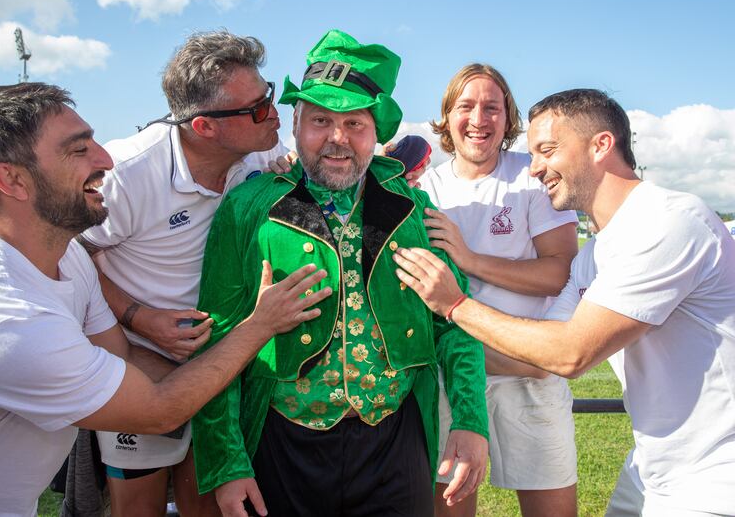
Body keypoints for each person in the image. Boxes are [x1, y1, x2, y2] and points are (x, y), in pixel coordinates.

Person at [0, 82, 330, 517]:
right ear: (12, 179)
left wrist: (231, 404)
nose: (105, 159)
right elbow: (157, 412)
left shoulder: (65, 255)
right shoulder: (7, 324)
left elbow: (123, 357)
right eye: (77, 149)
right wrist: (260, 326)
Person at [393, 89, 735, 516]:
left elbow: (571, 353)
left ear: (601, 145)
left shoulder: (669, 221)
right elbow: (540, 358)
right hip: (653, 474)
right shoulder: (592, 256)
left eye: (547, 150)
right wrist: (423, 350)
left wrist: (455, 305)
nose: (534, 168)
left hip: (717, 480)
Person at [191, 30, 489, 517]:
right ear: (295, 124)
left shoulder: (412, 208)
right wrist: (228, 464)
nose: (337, 137)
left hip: (396, 443)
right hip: (283, 445)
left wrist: (471, 421)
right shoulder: (247, 208)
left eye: (354, 122)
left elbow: (453, 322)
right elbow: (216, 337)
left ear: (375, 132)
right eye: (321, 120)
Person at [77, 30, 286, 515]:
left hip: (225, 367)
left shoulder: (260, 151)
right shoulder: (127, 175)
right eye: (255, 108)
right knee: (139, 509)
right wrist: (139, 317)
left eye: (268, 95)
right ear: (204, 127)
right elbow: (70, 255)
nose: (273, 113)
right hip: (144, 362)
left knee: (210, 503)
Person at [418, 64, 578, 517]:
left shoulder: (530, 176)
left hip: (529, 377)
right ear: (447, 116)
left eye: (493, 108)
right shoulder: (426, 187)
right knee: (450, 506)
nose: (479, 119)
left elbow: (559, 272)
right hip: (455, 379)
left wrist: (469, 260)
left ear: (508, 120)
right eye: (466, 106)